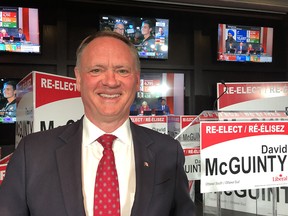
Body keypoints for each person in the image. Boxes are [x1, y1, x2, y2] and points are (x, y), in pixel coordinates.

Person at [0, 31, 196, 216]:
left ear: (136, 80)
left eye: (122, 70)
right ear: (78, 79)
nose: (110, 82)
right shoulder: (32, 153)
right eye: (96, 70)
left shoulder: (168, 151)